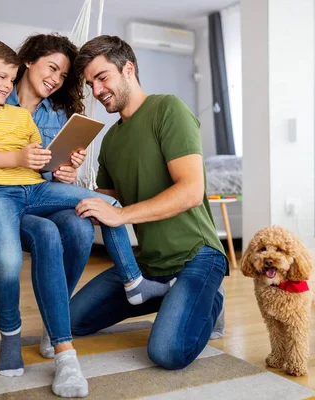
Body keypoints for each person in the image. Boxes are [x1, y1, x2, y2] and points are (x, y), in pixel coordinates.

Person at [0, 35, 172, 397]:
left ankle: (130, 286)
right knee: (34, 245)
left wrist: (65, 170)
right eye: (52, 67)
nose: (56, 78)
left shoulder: (42, 115)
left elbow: (40, 166)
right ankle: (28, 337)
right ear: (27, 63)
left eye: (63, 74)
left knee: (85, 222)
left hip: (36, 192)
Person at [69, 35, 228, 370]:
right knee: (72, 321)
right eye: (90, 83)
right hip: (149, 266)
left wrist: (121, 215)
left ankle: (210, 301)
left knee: (166, 352)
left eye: (102, 77)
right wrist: (72, 182)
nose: (97, 91)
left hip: (197, 256)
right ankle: (172, 297)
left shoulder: (168, 109)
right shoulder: (111, 139)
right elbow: (108, 200)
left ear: (128, 69)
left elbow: (190, 191)